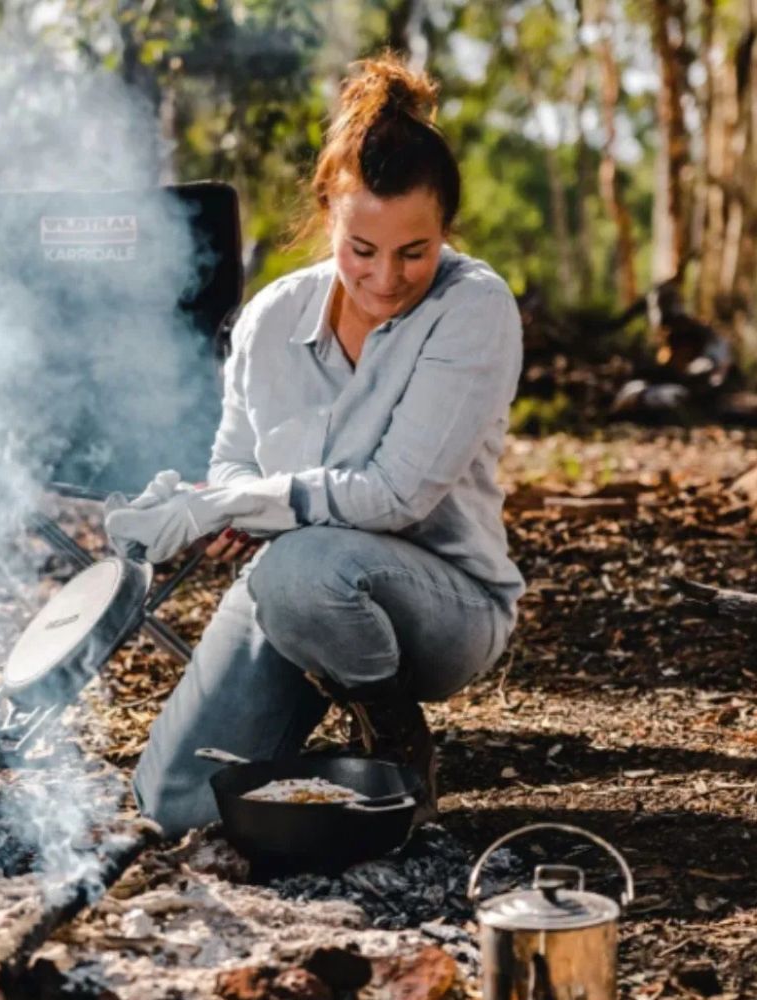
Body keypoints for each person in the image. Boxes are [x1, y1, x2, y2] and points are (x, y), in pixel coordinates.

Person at [105, 52, 526, 836]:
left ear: (445, 232)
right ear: (329, 210)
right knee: (176, 806)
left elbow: (395, 497)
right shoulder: (271, 318)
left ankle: (393, 737)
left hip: (442, 609)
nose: (388, 277)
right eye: (362, 249)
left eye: (416, 251)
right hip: (297, 596)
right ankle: (329, 775)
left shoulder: (474, 308)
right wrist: (223, 499)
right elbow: (234, 459)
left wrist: (247, 501)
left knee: (304, 567)